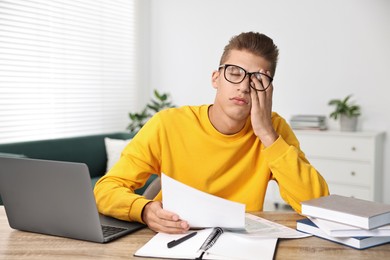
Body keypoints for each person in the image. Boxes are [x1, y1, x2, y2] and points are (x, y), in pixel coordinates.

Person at [94, 31, 329, 234]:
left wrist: (267, 134)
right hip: (174, 236)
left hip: (242, 242)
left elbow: (317, 203)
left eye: (258, 79)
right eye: (235, 73)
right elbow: (106, 189)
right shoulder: (167, 124)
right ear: (216, 79)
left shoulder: (274, 130)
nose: (244, 87)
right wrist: (143, 210)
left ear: (269, 89)